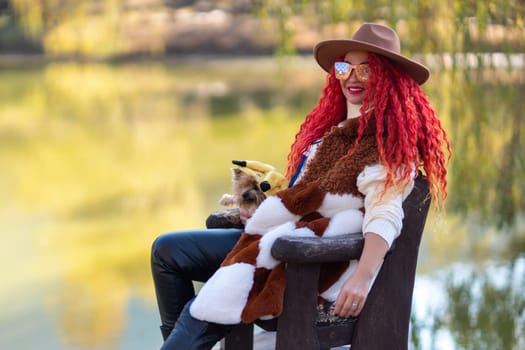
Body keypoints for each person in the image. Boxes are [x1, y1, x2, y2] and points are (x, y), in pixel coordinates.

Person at [150, 22, 451, 349]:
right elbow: (307, 199)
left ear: (388, 79)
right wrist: (262, 209)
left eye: (367, 70)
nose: (353, 77)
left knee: (216, 287)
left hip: (309, 258)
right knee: (168, 252)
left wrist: (363, 278)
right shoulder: (333, 138)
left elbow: (385, 216)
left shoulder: (387, 150)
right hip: (283, 239)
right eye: (345, 67)